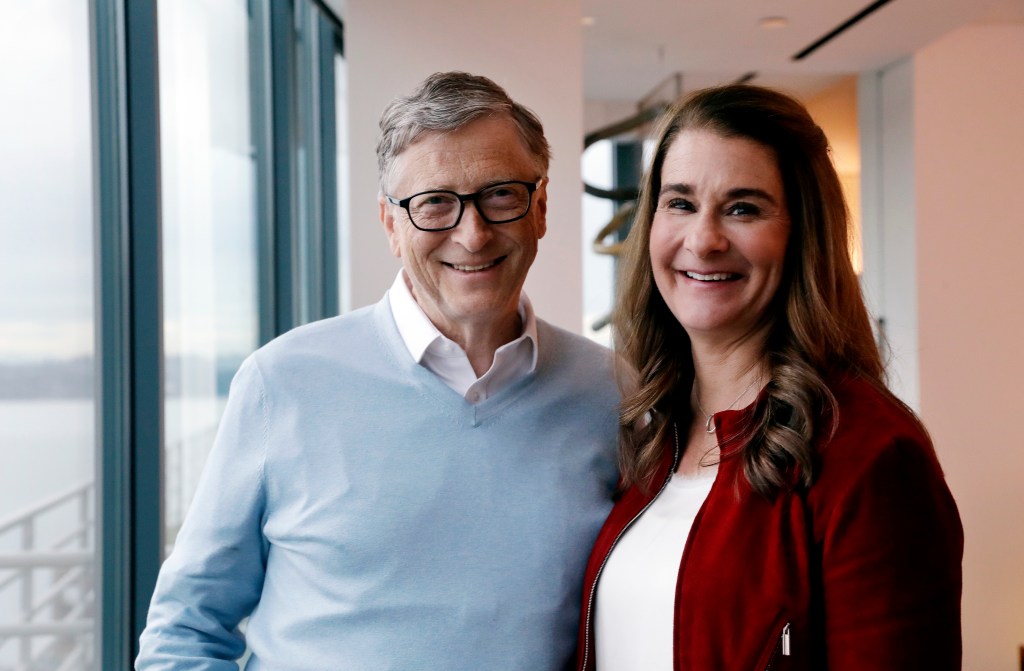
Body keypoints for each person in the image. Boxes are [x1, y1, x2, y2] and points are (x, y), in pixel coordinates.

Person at [137, 71, 622, 670]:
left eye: (500, 194)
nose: (472, 235)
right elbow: (186, 629)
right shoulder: (282, 381)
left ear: (541, 207)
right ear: (392, 224)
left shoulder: (613, 391)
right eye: (435, 203)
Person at [575, 84, 963, 670]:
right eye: (680, 203)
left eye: (743, 208)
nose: (703, 240)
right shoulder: (646, 434)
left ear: (802, 236)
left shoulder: (872, 456)